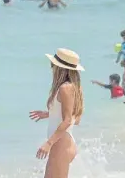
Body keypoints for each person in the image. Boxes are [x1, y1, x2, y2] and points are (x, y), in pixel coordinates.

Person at [29, 48, 84, 178]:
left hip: (60, 144)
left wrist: (48, 144)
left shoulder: (65, 88)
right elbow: (75, 118)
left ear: (60, 68)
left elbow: (68, 120)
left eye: (52, 65)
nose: (51, 68)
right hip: (65, 141)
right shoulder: (74, 87)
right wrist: (50, 113)